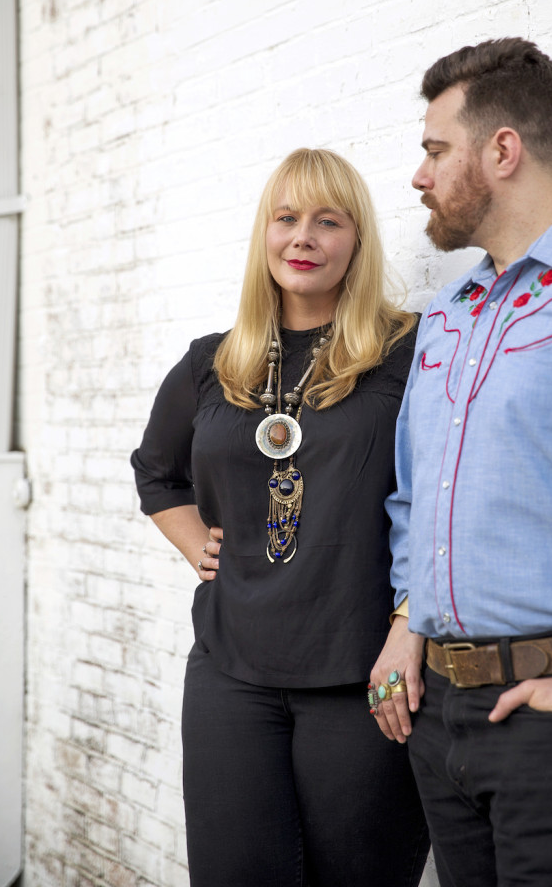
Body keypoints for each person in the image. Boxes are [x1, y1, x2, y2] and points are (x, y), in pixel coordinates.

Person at [370, 38, 552, 887]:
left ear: (502, 150)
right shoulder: (448, 316)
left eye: (434, 150)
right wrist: (406, 626)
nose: (419, 176)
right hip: (443, 721)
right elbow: (413, 499)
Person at [131, 148, 429, 887]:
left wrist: (407, 627)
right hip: (231, 675)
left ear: (356, 241)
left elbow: (451, 498)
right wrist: (196, 543)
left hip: (359, 676)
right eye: (287, 218)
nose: (304, 237)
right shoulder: (214, 362)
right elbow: (155, 471)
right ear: (263, 234)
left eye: (328, 221)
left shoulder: (409, 352)